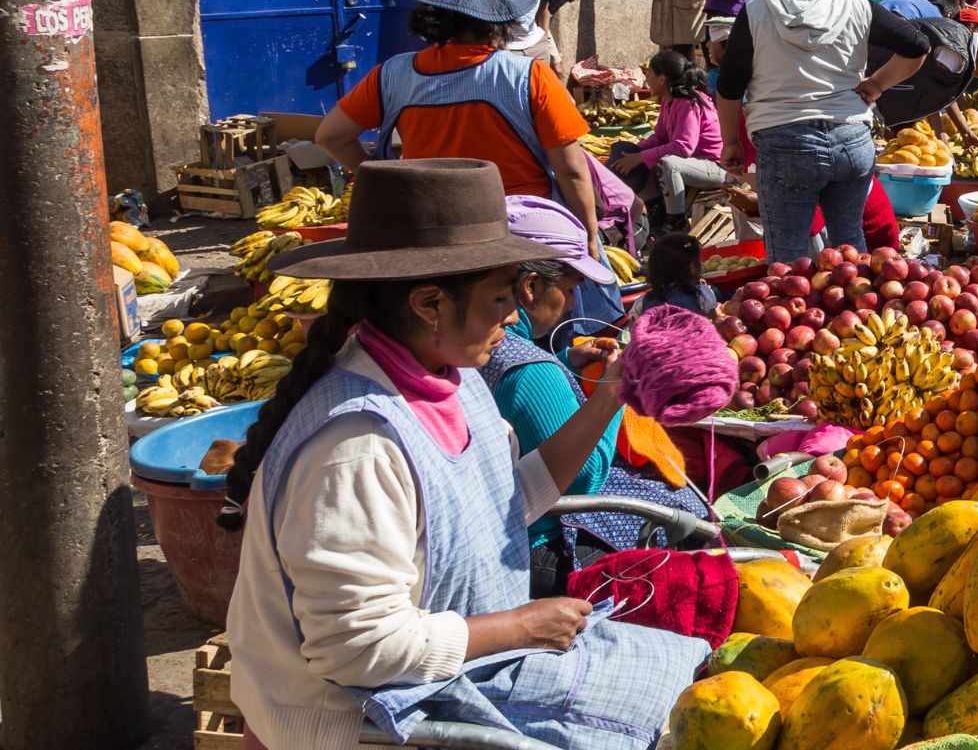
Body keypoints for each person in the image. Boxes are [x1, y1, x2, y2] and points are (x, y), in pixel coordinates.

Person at [219, 158, 704, 750]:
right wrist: (519, 625)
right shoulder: (356, 448)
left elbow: (504, 502)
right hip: (359, 720)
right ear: (430, 304)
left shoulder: (455, 377)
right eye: (500, 297)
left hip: (447, 679)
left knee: (681, 675)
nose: (512, 315)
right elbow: (358, 649)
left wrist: (611, 391)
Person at [316, 0, 604, 254]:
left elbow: (331, 136)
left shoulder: (391, 75)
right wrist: (590, 237)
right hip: (521, 235)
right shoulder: (529, 76)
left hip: (431, 232)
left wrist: (385, 182)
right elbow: (571, 170)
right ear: (503, 14)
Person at [492, 195, 709, 597]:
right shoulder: (530, 371)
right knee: (688, 511)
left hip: (505, 532)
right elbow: (582, 478)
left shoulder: (472, 350)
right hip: (540, 549)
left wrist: (566, 361)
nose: (572, 304)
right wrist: (612, 389)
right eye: (570, 288)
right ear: (531, 287)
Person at [715, 0, 931, 262]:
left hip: (784, 145)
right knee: (851, 251)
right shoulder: (857, 5)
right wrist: (877, 83)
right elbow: (917, 45)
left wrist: (731, 142)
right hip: (850, 143)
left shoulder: (757, 6)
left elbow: (730, 85)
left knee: (787, 259)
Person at [608, 48, 726, 235]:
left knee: (667, 163)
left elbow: (683, 147)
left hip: (713, 166)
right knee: (636, 153)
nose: (646, 79)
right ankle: (655, 212)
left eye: (649, 75)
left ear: (662, 79)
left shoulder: (688, 102)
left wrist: (641, 157)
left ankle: (676, 221)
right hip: (690, 163)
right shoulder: (668, 100)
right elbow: (659, 137)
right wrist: (634, 152)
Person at [637, 232, 718, 318]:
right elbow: (713, 321)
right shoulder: (701, 294)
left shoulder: (643, 301)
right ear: (692, 265)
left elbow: (635, 325)